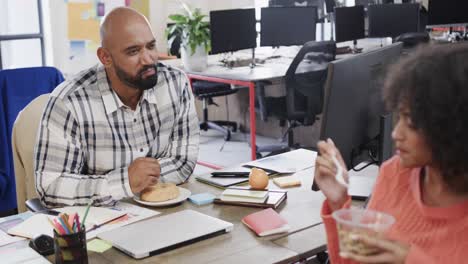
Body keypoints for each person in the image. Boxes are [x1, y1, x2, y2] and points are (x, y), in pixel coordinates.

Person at [315, 43, 468, 263]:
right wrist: (340, 202)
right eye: (400, 117)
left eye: (412, 122)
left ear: (454, 127)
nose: (396, 133)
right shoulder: (395, 173)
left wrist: (410, 259)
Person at [34, 7, 199, 207]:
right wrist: (124, 183)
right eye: (133, 51)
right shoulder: (68, 102)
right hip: (99, 221)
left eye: (151, 46)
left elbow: (183, 160)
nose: (148, 60)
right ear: (105, 57)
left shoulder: (175, 84)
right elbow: (51, 186)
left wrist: (142, 181)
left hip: (163, 211)